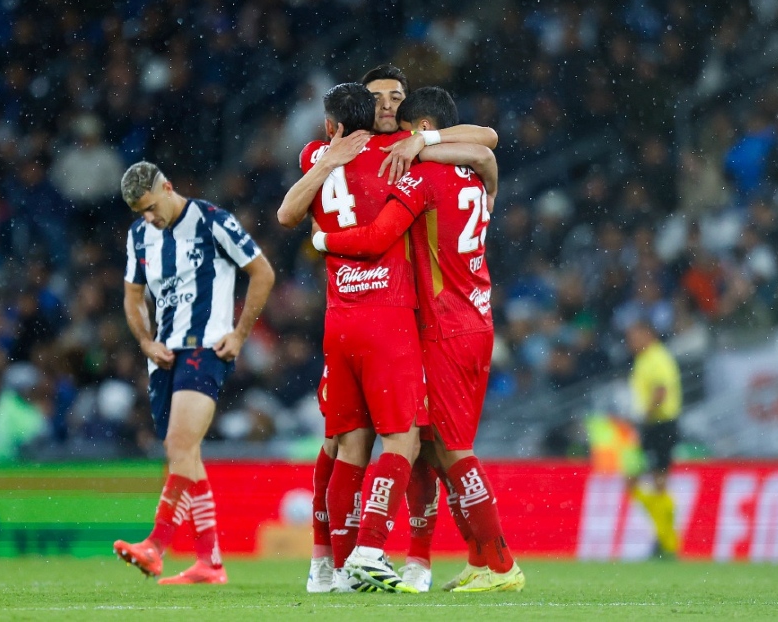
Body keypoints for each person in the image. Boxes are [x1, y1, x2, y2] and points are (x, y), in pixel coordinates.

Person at [280, 69, 499, 593]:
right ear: (362, 105)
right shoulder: (399, 155)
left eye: (397, 97)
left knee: (365, 445)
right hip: (392, 320)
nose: (387, 104)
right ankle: (349, 557)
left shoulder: (332, 151)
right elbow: (487, 146)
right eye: (378, 97)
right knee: (366, 443)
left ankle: (387, 564)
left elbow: (289, 213)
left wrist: (324, 232)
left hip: (353, 319)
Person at [112, 161, 275, 585]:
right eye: (140, 213)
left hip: (206, 348)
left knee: (179, 445)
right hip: (163, 357)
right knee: (185, 455)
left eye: (151, 207)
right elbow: (132, 296)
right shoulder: (139, 236)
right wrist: (146, 343)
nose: (149, 218)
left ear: (167, 186)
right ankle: (210, 562)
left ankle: (156, 545)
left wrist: (239, 334)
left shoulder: (213, 220)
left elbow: (262, 272)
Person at [623, 320, 682, 559]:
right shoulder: (644, 359)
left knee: (658, 482)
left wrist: (643, 416)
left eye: (634, 336)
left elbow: (660, 392)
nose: (631, 342)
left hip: (660, 426)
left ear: (648, 334)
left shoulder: (658, 357)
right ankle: (663, 535)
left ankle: (667, 541)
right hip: (649, 427)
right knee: (632, 479)